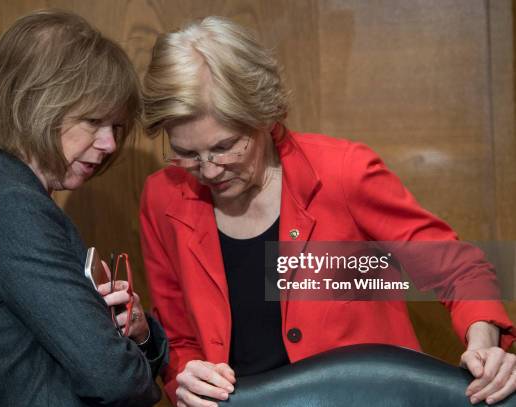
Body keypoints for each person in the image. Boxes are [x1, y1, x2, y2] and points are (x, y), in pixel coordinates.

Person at [139, 16, 516, 407]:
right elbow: (178, 337)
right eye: (187, 153)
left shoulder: (343, 173)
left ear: (264, 115)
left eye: (225, 146)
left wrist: (483, 340)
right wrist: (186, 375)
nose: (210, 170)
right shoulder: (162, 198)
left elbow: (459, 268)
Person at [0, 10, 166, 406]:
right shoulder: (11, 207)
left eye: (116, 127)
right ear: (35, 106)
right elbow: (111, 378)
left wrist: (137, 333)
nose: (110, 144)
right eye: (93, 121)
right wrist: (137, 367)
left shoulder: (12, 199)